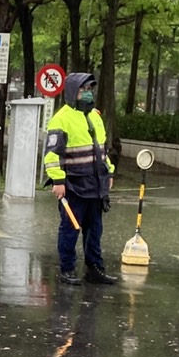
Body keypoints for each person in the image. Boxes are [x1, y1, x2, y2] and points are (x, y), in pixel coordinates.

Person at [43, 72, 117, 286]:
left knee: (95, 230)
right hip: (74, 186)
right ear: (73, 92)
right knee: (70, 229)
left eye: (90, 89)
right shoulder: (61, 119)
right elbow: (52, 154)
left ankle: (95, 268)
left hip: (96, 185)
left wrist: (108, 172)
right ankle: (67, 269)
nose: (87, 93)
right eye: (83, 89)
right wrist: (58, 181)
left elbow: (101, 150)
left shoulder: (95, 116)